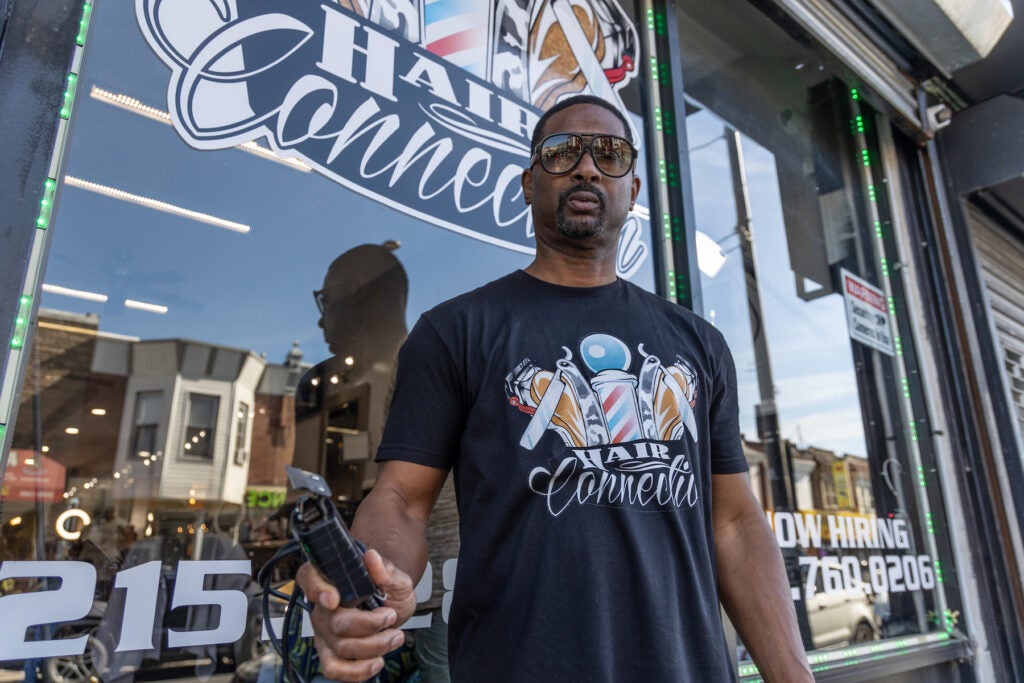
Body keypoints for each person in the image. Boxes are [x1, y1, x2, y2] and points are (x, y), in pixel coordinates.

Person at [297, 94, 813, 682]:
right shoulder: (457, 331)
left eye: (610, 154)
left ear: (634, 189)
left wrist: (794, 676)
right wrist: (374, 574)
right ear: (527, 183)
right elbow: (401, 501)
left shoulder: (698, 344)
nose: (587, 166)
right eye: (562, 151)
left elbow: (736, 524)